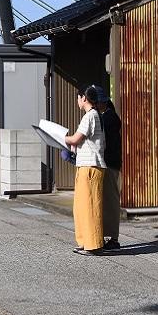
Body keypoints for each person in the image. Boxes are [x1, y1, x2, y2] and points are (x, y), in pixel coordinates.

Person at [65, 85, 107, 256]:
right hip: (87, 165)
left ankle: (93, 244)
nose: (77, 101)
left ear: (83, 98)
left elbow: (76, 138)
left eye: (78, 98)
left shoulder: (89, 116)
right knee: (82, 206)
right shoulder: (95, 115)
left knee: (89, 206)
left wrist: (61, 138)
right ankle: (85, 242)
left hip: (90, 167)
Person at [96, 85, 122, 250]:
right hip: (109, 163)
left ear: (101, 103)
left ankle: (113, 238)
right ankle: (108, 236)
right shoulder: (107, 116)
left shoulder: (108, 118)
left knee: (111, 201)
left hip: (110, 164)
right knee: (107, 200)